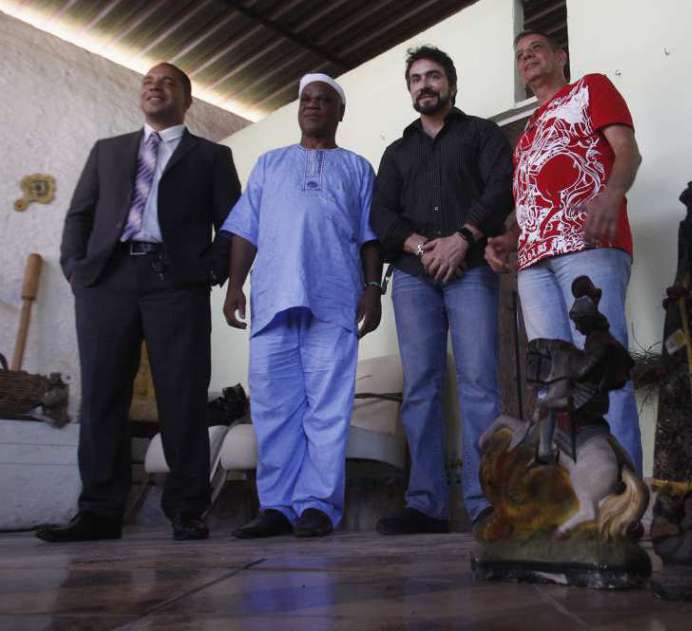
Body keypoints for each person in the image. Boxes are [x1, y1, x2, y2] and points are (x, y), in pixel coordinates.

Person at [42, 62, 240, 543]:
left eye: (167, 81)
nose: (154, 87)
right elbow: (79, 215)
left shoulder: (211, 156)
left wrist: (212, 270)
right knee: (103, 396)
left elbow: (234, 222)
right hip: (107, 282)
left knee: (184, 396)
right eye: (148, 82)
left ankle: (187, 511)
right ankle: (99, 512)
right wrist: (75, 267)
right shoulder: (107, 152)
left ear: (187, 99)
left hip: (175, 282)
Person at [222, 74, 382, 538]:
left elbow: (370, 237)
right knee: (273, 407)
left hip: (334, 300)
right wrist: (235, 286)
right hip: (273, 299)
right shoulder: (269, 165)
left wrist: (372, 288)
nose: (313, 105)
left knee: (327, 408)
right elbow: (245, 231)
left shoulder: (357, 169)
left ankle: (317, 505)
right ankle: (276, 507)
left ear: (339, 112)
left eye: (324, 100)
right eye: (306, 99)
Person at [486, 31, 645, 472]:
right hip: (533, 263)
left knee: (602, 372)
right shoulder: (528, 132)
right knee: (552, 385)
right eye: (519, 55)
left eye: (535, 49)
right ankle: (576, 497)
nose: (527, 58)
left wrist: (613, 195)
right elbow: (534, 201)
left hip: (588, 247)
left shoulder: (590, 88)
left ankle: (624, 500)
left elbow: (627, 152)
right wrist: (510, 236)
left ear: (561, 56)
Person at [371, 46, 513, 534]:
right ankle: (427, 504)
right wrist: (419, 244)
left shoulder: (483, 135)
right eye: (416, 78)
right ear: (410, 89)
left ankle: (485, 503)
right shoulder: (397, 152)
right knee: (421, 389)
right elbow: (381, 215)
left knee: (478, 384)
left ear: (451, 83)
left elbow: (501, 188)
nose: (424, 85)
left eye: (433, 76)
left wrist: (462, 238)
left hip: (471, 269)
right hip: (413, 278)